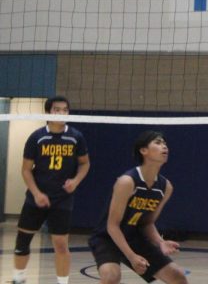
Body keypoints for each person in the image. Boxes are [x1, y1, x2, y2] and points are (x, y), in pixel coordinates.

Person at [88, 131, 186, 284]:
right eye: (158, 143)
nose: (164, 146)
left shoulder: (166, 187)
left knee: (178, 276)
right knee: (111, 277)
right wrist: (131, 256)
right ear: (143, 150)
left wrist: (161, 242)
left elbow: (147, 223)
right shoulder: (127, 181)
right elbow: (112, 226)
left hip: (134, 236)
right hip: (107, 237)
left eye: (165, 143)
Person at [12, 96, 90, 284]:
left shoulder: (76, 137)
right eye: (57, 109)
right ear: (48, 112)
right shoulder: (37, 137)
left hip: (62, 199)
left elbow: (85, 163)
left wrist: (76, 181)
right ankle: (18, 278)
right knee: (22, 241)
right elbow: (25, 170)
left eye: (65, 110)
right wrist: (37, 193)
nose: (62, 113)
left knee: (61, 245)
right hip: (35, 198)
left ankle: (62, 282)